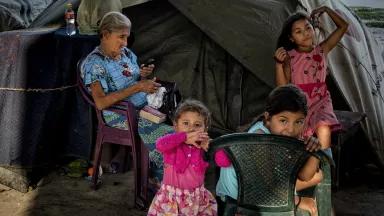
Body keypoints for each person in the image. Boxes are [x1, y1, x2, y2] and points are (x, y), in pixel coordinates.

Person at [215, 85, 322, 215]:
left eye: (298, 122)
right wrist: (298, 200)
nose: (291, 130)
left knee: (317, 177)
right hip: (238, 201)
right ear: (268, 118)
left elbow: (305, 175)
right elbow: (269, 185)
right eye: (283, 120)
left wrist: (314, 151)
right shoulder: (260, 138)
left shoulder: (283, 138)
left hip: (259, 194)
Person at [81, 11, 163, 171]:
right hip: (120, 115)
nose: (125, 43)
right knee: (164, 137)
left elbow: (130, 75)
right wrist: (138, 87)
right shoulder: (95, 64)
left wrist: (141, 74)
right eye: (121, 37)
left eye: (126, 37)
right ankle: (157, 178)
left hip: (141, 106)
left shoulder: (125, 53)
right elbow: (101, 102)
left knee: (179, 120)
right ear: (105, 35)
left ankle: (156, 167)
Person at [274, 7, 349, 153]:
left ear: (313, 29)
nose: (305, 33)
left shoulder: (322, 50)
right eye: (298, 31)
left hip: (321, 101)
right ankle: (305, 169)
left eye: (308, 28)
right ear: (291, 38)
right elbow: (283, 88)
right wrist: (278, 64)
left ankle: (326, 164)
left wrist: (327, 10)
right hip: (299, 102)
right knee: (299, 139)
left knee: (324, 128)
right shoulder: (289, 57)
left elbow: (344, 26)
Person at [147, 99, 217, 216]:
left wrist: (213, 147)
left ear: (205, 129)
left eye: (197, 125)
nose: (191, 129)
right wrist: (184, 137)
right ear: (176, 126)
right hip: (169, 201)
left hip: (196, 201)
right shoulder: (172, 143)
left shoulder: (203, 146)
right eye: (186, 123)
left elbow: (224, 162)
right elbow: (159, 145)